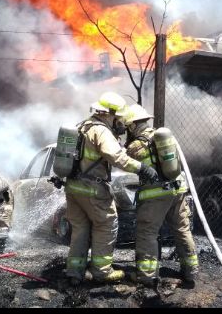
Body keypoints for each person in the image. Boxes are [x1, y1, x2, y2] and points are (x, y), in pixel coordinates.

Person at [64, 92, 158, 285]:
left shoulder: (82, 126)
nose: (120, 122)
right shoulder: (101, 131)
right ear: (110, 113)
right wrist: (141, 168)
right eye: (118, 118)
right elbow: (115, 157)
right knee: (107, 225)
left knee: (80, 229)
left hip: (74, 187)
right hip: (92, 189)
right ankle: (102, 271)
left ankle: (74, 271)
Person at [123, 104, 199, 288]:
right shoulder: (164, 137)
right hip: (178, 190)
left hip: (156, 195)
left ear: (132, 126)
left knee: (147, 232)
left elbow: (124, 161)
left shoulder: (136, 145)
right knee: (182, 229)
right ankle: (190, 271)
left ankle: (147, 275)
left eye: (127, 127)